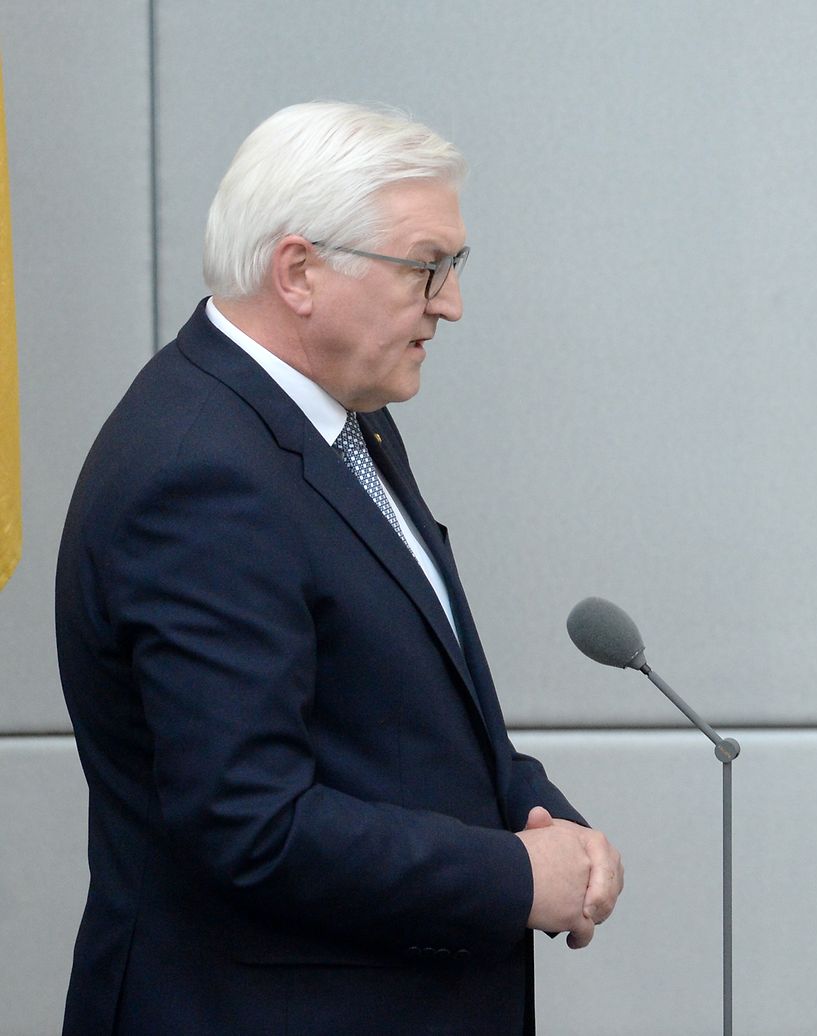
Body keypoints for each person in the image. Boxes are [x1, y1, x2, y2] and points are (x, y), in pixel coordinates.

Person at [55, 101, 623, 1035]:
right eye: (425, 268)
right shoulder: (200, 474)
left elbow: (387, 722)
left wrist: (538, 815)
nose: (450, 302)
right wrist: (513, 876)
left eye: (453, 267)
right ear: (300, 271)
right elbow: (252, 822)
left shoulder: (338, 418)